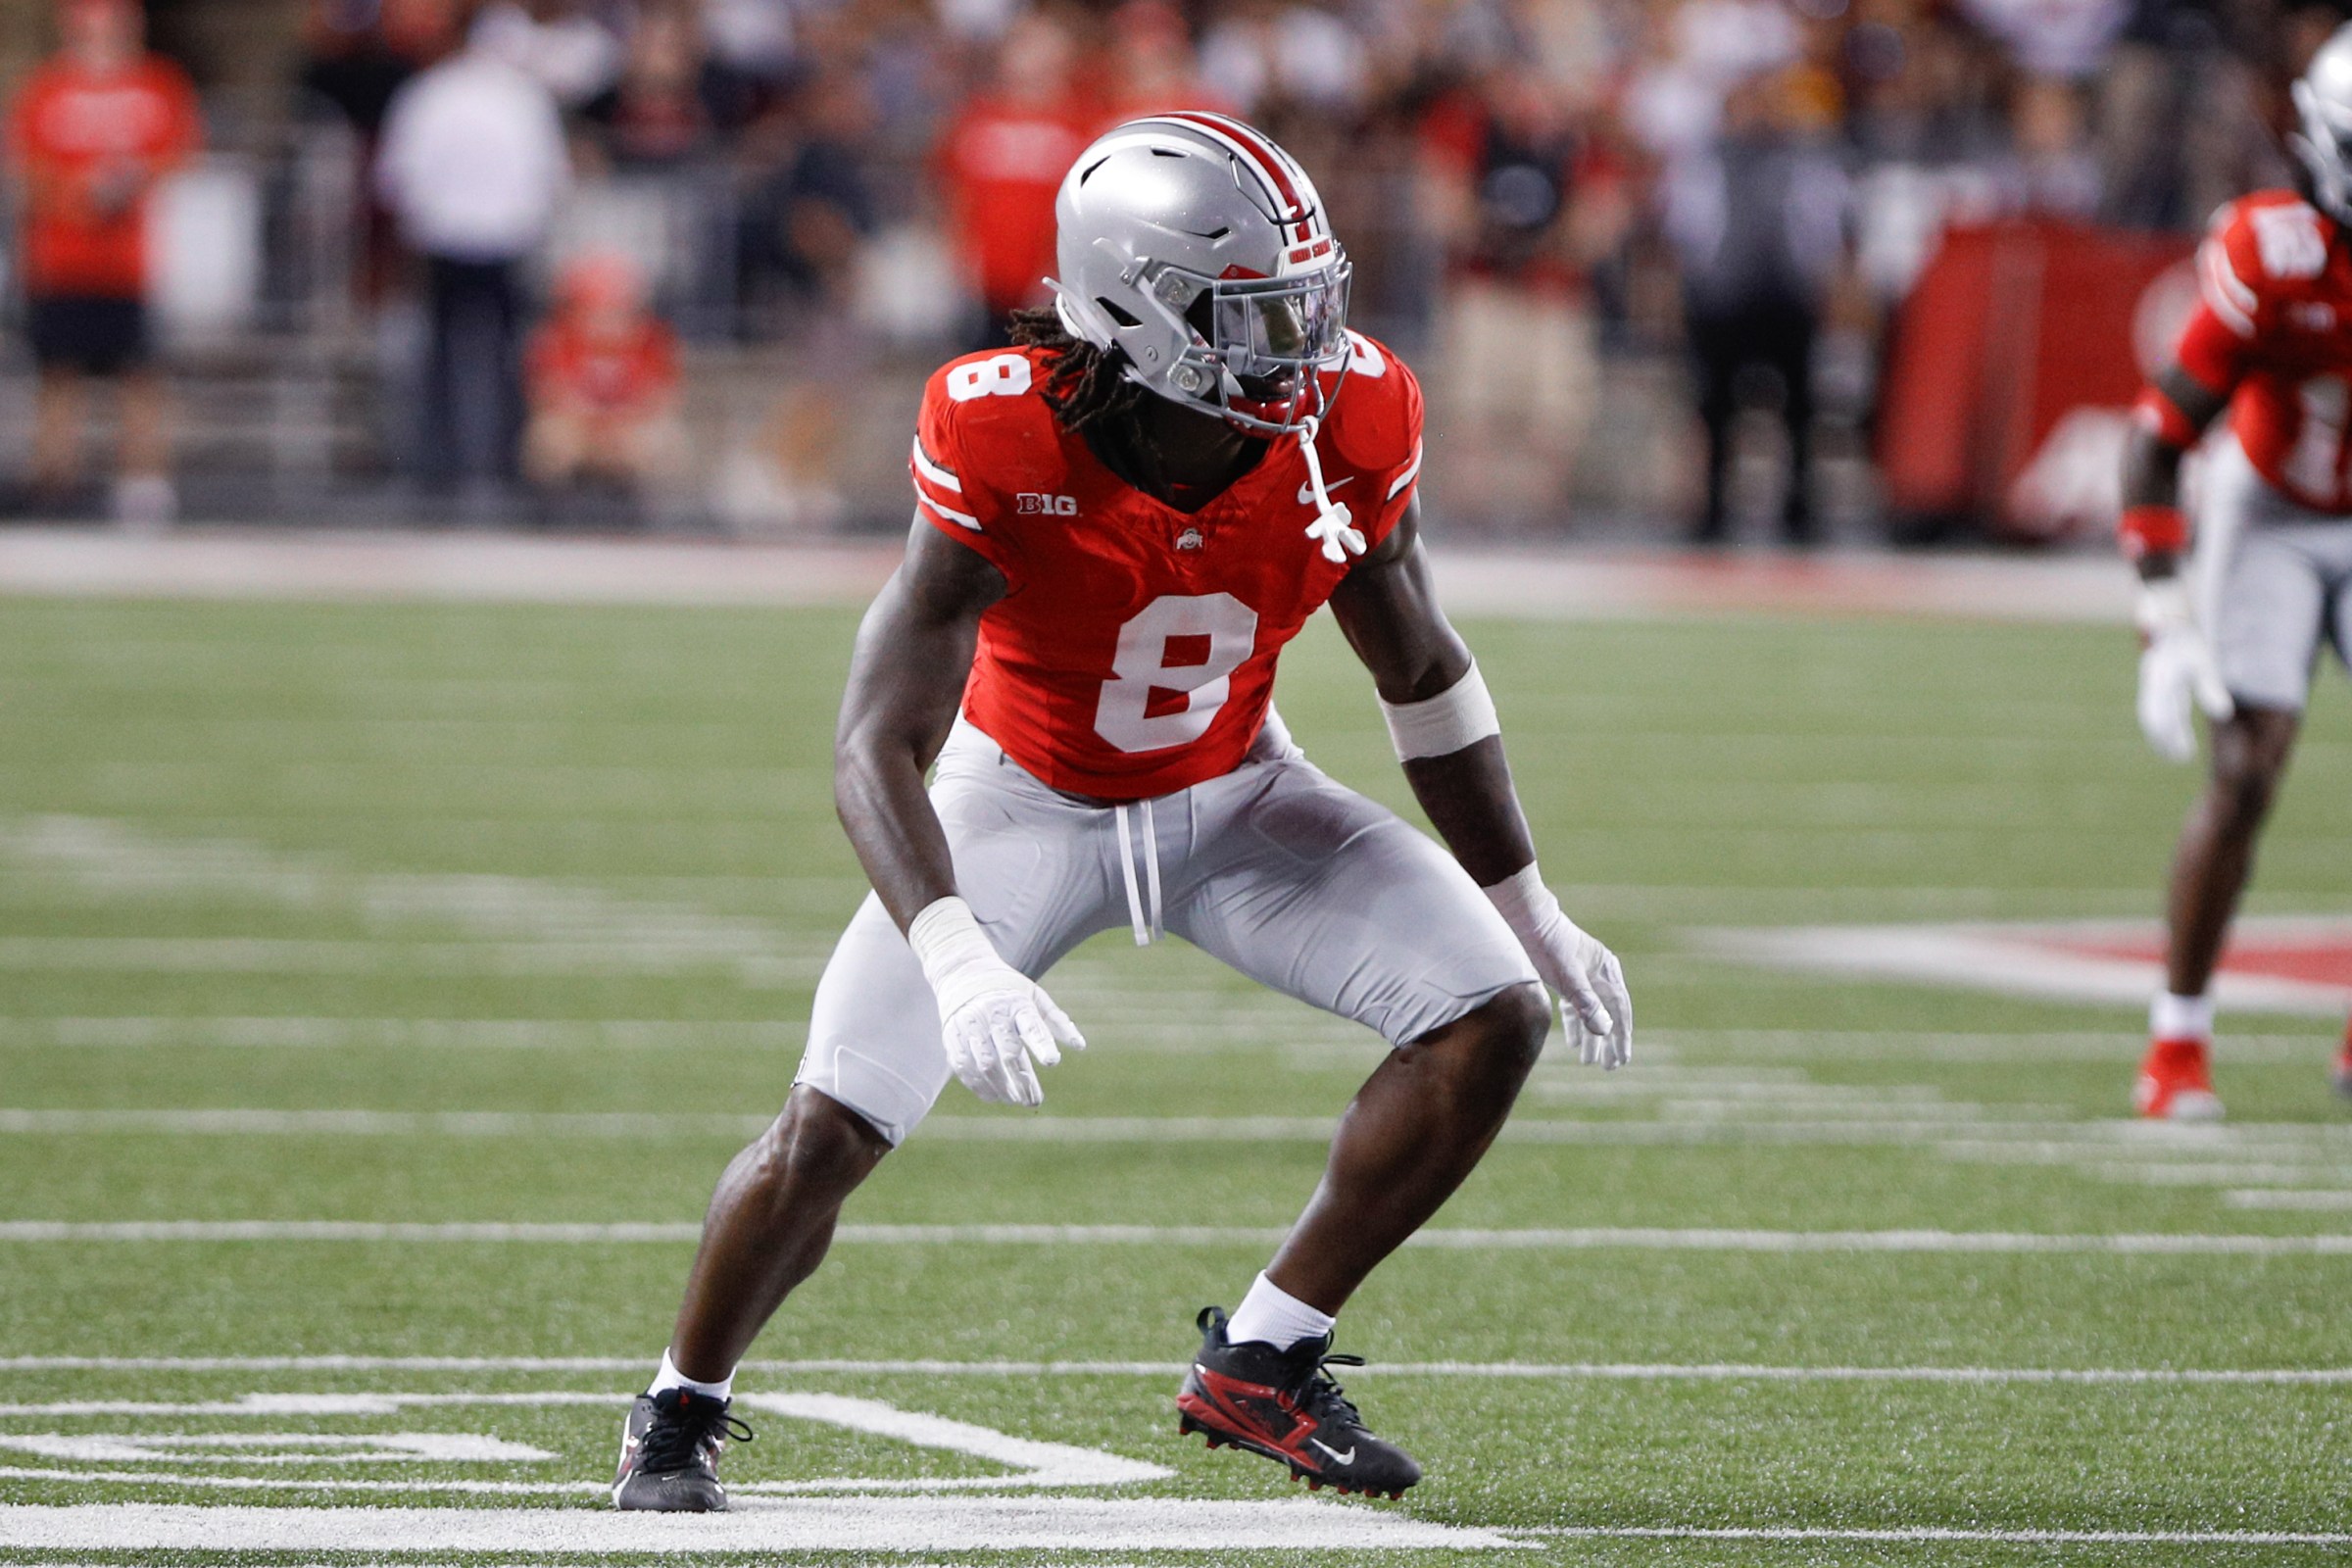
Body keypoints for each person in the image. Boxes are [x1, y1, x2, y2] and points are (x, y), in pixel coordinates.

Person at [609, 112, 1633, 1512]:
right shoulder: (998, 421)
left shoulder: (1352, 411)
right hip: (1019, 796)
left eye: (1306, 302)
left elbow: (1421, 669)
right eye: (1256, 313)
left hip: (1233, 790)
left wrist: (1530, 903)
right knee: (828, 1129)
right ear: (1142, 311)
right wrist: (956, 951)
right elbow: (874, 743)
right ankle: (679, 1409)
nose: (1302, 344)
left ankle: (1265, 1358)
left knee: (1492, 1012)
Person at [2118, 24, 2352, 1120]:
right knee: (2249, 765)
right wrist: (2164, 619)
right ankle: (2176, 1045)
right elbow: (2160, 435)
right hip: (2269, 510)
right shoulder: (2277, 250)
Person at [5, 0, 202, 525]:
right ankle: (54, 481)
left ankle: (143, 487)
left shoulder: (157, 83)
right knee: (58, 374)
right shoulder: (47, 89)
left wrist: (129, 183)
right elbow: (26, 168)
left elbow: (179, 151)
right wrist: (78, 194)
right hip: (61, 259)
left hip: (127, 261)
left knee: (139, 376)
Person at [375, 9, 570, 498]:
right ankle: (497, 465)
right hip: (498, 240)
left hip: (451, 239)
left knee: (449, 356)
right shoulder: (520, 98)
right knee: (502, 357)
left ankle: (442, 467)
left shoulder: (433, 92)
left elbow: (396, 176)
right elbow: (550, 177)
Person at [523, 253, 685, 494]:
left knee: (664, 441)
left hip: (628, 427)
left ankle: (646, 511)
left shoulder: (651, 339)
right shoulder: (559, 337)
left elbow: (662, 396)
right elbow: (549, 394)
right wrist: (593, 422)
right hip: (580, 427)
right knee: (550, 438)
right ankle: (554, 509)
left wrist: (622, 421)